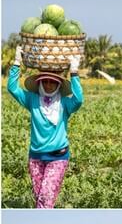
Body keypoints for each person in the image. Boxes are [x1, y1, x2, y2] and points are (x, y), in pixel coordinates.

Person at [7, 46, 83, 208]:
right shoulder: (32, 100)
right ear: (40, 82)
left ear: (58, 85)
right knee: (40, 197)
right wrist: (16, 62)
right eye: (45, 81)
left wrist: (74, 72)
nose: (48, 85)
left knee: (46, 197)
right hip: (35, 157)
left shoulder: (64, 104)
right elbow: (12, 88)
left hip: (58, 156)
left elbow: (79, 100)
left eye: (53, 82)